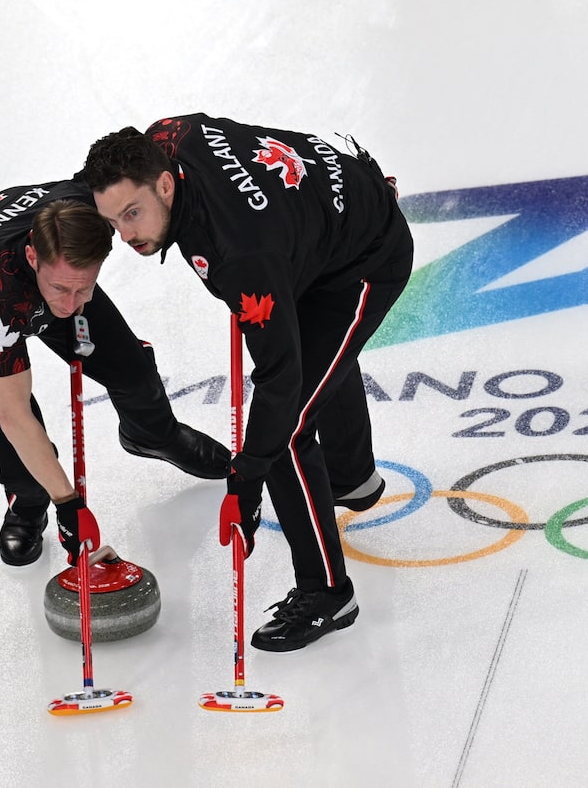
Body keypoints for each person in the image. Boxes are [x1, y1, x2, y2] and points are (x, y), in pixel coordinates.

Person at [79, 115, 413, 651]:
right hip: (309, 235)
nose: (125, 236)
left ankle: (328, 593)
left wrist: (246, 480)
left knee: (283, 431)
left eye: (132, 214)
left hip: (361, 258)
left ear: (165, 184)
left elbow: (280, 384)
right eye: (113, 220)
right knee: (316, 362)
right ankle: (352, 480)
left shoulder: (242, 256)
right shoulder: (166, 138)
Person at [0, 181, 231, 567]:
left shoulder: (90, 211)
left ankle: (154, 435)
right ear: (33, 256)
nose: (69, 305)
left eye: (85, 287)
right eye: (62, 289)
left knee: (130, 367)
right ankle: (27, 501)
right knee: (7, 433)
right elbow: (13, 415)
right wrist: (67, 503)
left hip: (37, 270)